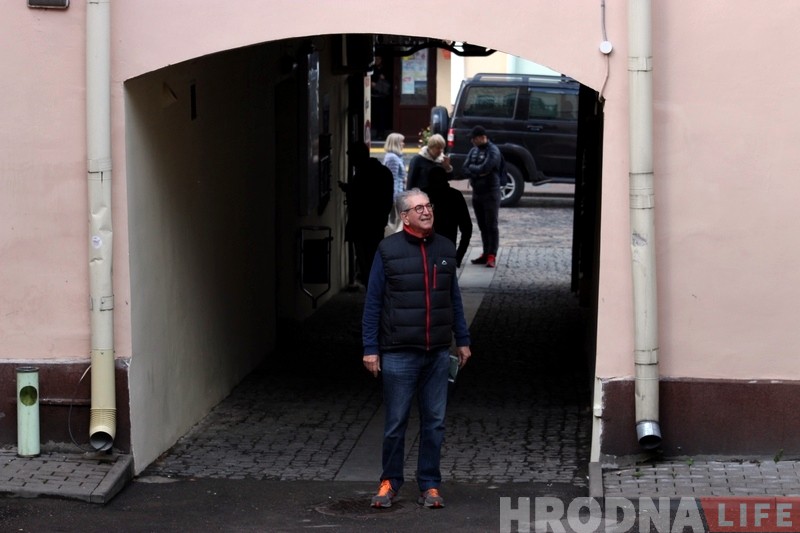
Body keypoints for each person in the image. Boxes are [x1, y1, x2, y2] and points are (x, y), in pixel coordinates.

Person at [362, 188, 472, 510]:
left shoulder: (445, 248)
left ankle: (430, 484)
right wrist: (370, 348)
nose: (426, 211)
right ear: (405, 216)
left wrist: (462, 339)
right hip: (399, 352)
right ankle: (389, 481)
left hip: (436, 352)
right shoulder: (388, 250)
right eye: (418, 208)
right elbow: (373, 301)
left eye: (428, 206)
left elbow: (453, 298)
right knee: (396, 423)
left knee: (435, 422)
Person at [339, 142, 394, 287]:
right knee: (373, 257)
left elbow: (361, 196)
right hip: (376, 223)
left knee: (365, 260)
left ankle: (372, 288)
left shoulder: (361, 175)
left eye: (351, 157)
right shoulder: (384, 172)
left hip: (362, 224)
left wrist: (349, 189)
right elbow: (386, 200)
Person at [461, 125, 503, 268]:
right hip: (477, 193)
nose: (472, 141)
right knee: (482, 225)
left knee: (491, 225)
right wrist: (478, 172)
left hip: (490, 193)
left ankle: (492, 254)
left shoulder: (493, 151)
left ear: (481, 138)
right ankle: (486, 252)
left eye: (474, 139)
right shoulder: (473, 151)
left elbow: (487, 167)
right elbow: (465, 168)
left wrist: (474, 170)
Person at [422, 166, 472, 268]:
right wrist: (459, 255)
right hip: (447, 251)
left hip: (423, 252)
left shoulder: (421, 196)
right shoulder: (455, 195)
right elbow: (467, 228)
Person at [382, 133, 406, 231]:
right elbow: (393, 179)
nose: (403, 144)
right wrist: (394, 198)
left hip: (397, 194)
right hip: (396, 195)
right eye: (401, 142)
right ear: (395, 143)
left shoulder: (396, 156)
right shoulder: (393, 158)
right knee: (396, 223)